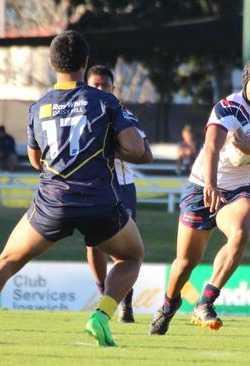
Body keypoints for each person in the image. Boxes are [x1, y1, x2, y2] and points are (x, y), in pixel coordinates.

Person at [0, 30, 146, 348]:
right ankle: (101, 315)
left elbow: (34, 159)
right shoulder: (105, 101)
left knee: (5, 263)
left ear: (51, 63)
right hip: (98, 200)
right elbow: (135, 148)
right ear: (85, 62)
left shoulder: (38, 107)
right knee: (132, 257)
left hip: (52, 203)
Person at [148, 57, 250, 335]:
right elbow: (211, 147)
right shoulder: (228, 107)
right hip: (202, 185)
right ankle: (167, 306)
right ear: (246, 83)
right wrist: (210, 184)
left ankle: (205, 301)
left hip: (237, 191)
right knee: (186, 263)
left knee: (242, 230)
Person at [85, 64, 153, 323]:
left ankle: (125, 303)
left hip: (121, 189)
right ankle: (105, 297)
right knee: (93, 246)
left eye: (104, 85)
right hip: (93, 187)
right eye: (94, 85)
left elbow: (146, 154)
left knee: (122, 251)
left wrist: (109, 149)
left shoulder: (124, 115)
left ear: (113, 89)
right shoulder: (81, 117)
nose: (99, 89)